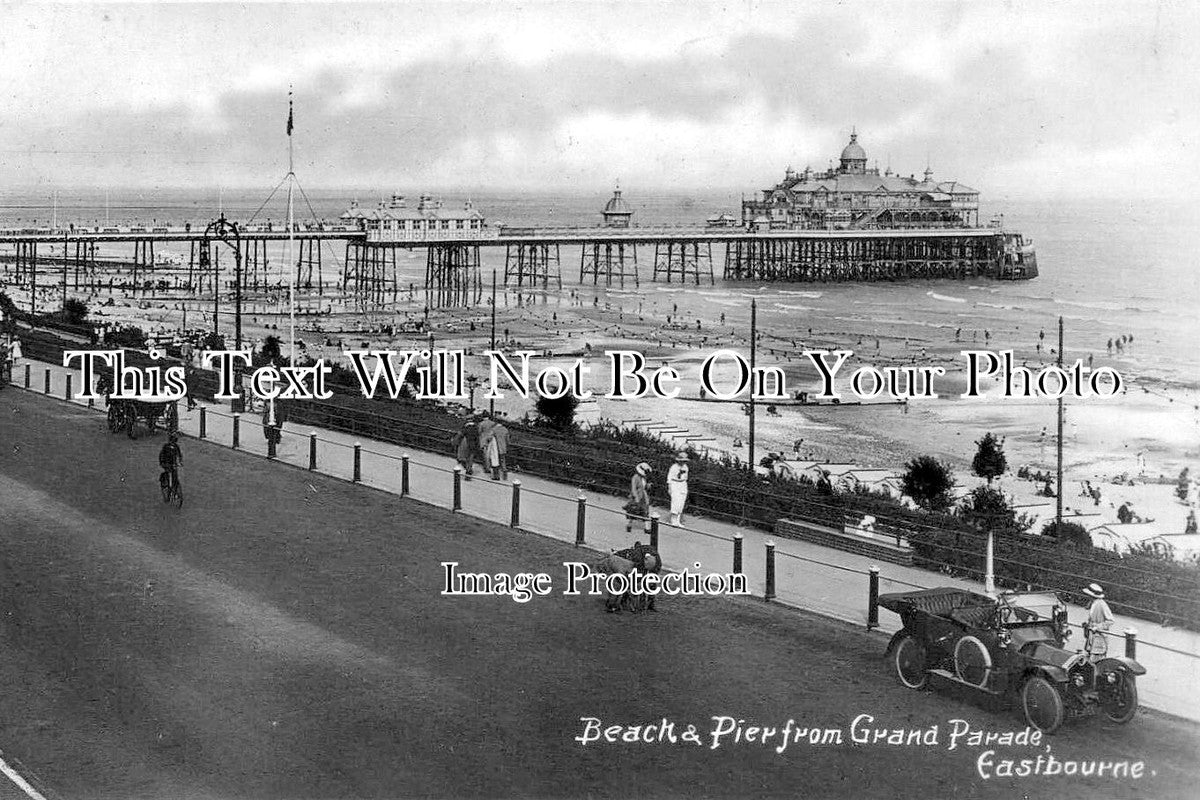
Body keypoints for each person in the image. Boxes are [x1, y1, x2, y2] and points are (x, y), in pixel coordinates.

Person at [1082, 583, 1114, 659]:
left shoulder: (1102, 604)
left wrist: (1097, 627)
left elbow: (1110, 620)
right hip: (1091, 637)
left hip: (1099, 637)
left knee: (1096, 658)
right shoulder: (1093, 603)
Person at [625, 462, 653, 533]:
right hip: (637, 496)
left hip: (644, 495)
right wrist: (636, 497)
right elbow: (633, 488)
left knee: (645, 511)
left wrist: (648, 486)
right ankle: (629, 525)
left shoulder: (644, 477)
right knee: (634, 511)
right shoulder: (635, 477)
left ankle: (647, 528)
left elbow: (644, 487)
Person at [667, 452, 690, 526]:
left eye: (684, 461)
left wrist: (684, 485)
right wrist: (670, 487)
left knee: (681, 502)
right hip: (675, 483)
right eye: (682, 460)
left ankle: (678, 521)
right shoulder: (674, 467)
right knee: (675, 502)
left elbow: (685, 477)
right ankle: (673, 520)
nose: (683, 462)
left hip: (682, 484)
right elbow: (669, 478)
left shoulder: (685, 467)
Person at [478, 413, 499, 480]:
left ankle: (487, 468)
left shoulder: (481, 423)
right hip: (492, 440)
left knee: (486, 455)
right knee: (493, 455)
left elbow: (479, 432)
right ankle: (493, 469)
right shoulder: (493, 423)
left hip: (484, 440)